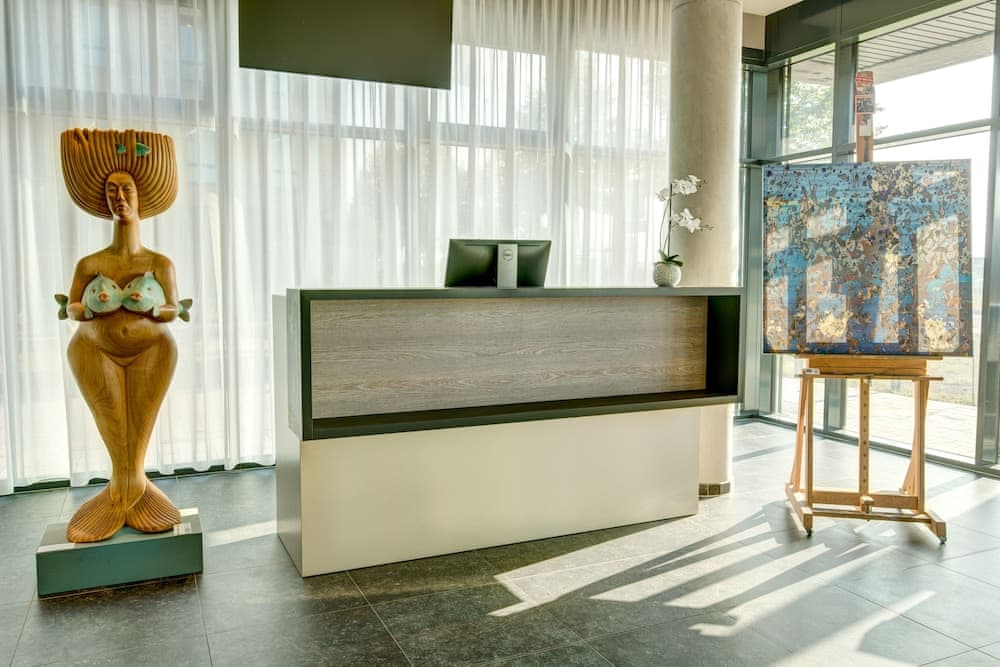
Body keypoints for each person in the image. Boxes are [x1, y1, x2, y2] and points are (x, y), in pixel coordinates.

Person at [60, 128, 184, 542]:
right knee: (113, 422)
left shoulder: (160, 263)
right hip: (94, 349)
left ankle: (129, 492)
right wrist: (87, 307)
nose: (119, 197)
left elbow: (173, 309)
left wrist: (153, 307)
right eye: (111, 190)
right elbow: (71, 306)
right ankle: (124, 491)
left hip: (153, 349)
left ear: (140, 196)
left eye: (126, 189)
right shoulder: (90, 263)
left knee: (139, 427)